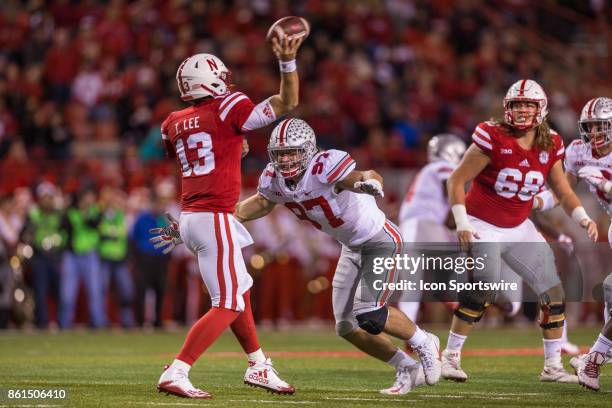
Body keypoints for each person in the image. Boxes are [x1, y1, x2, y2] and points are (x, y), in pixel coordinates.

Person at [153, 118, 442, 395]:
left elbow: (362, 176)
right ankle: (406, 367)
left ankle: (423, 340)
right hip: (351, 246)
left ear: (308, 150)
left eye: (292, 153)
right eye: (280, 154)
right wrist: (198, 226)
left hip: (380, 240)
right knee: (346, 327)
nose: (286, 160)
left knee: (369, 312)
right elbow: (256, 205)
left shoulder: (325, 166)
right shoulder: (274, 179)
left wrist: (371, 183)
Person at [152, 34, 304, 399]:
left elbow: (204, 151)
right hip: (213, 216)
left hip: (191, 216)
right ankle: (178, 369)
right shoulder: (227, 106)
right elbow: (288, 102)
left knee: (240, 291)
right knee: (228, 301)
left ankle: (259, 364)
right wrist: (287, 62)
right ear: (213, 80)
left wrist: (233, 145)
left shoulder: (172, 122)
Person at [441, 79, 598, 384]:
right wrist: (461, 222)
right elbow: (456, 181)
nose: (522, 110)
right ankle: (450, 357)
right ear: (507, 108)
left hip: (519, 227)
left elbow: (563, 191)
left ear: (541, 108)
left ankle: (553, 367)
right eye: (517, 104)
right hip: (482, 223)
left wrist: (582, 217)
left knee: (553, 294)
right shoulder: (493, 136)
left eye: (528, 104)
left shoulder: (550, 142)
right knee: (484, 288)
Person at [533, 97, 612, 391]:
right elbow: (562, 191)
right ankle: (596, 357)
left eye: (601, 126)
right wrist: (537, 200)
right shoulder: (579, 152)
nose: (594, 133)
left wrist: (605, 185)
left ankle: (595, 357)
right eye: (590, 126)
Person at [397, 134, 466, 326]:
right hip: (425, 224)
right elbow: (451, 187)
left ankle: (408, 333)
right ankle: (448, 291)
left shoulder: (427, 170)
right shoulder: (442, 167)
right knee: (465, 253)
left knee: (411, 286)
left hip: (409, 226)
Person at [20, 182, 65, 329]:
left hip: (55, 256)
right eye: (44, 197)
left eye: (49, 197)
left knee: (59, 291)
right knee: (40, 291)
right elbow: (25, 234)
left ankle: (61, 322)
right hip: (39, 257)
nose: (47, 201)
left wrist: (59, 242)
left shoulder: (58, 215)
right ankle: (42, 323)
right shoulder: (33, 214)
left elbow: (65, 233)